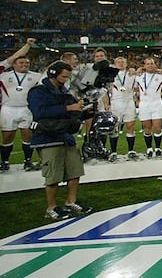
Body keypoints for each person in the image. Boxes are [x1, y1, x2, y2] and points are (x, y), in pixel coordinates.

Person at [29, 60, 93, 220]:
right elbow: (39, 112)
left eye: (67, 77)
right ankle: (51, 208)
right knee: (53, 175)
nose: (66, 79)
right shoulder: (38, 91)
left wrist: (85, 110)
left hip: (65, 135)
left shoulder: (64, 91)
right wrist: (68, 108)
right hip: (47, 136)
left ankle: (71, 202)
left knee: (75, 171)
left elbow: (74, 110)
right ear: (53, 74)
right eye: (63, 76)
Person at [0, 55, 44, 171]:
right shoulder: (4, 76)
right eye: (21, 62)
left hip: (27, 109)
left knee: (27, 135)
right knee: (7, 137)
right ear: (13, 64)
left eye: (27, 63)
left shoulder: (36, 76)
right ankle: (4, 162)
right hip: (8, 108)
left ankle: (28, 161)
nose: (24, 64)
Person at [135, 57, 162, 158]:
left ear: (154, 65)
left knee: (157, 128)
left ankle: (158, 148)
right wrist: (137, 99)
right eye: (147, 64)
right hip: (144, 104)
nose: (149, 65)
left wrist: (159, 70)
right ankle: (149, 148)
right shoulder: (139, 77)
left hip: (157, 103)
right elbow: (135, 89)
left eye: (151, 63)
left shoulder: (160, 77)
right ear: (144, 66)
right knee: (147, 128)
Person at [109, 57, 138, 160]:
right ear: (115, 64)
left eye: (123, 62)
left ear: (126, 64)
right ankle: (113, 152)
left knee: (130, 126)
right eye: (118, 62)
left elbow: (136, 87)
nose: (120, 64)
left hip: (128, 101)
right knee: (114, 128)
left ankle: (131, 150)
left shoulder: (131, 74)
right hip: (115, 102)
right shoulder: (111, 74)